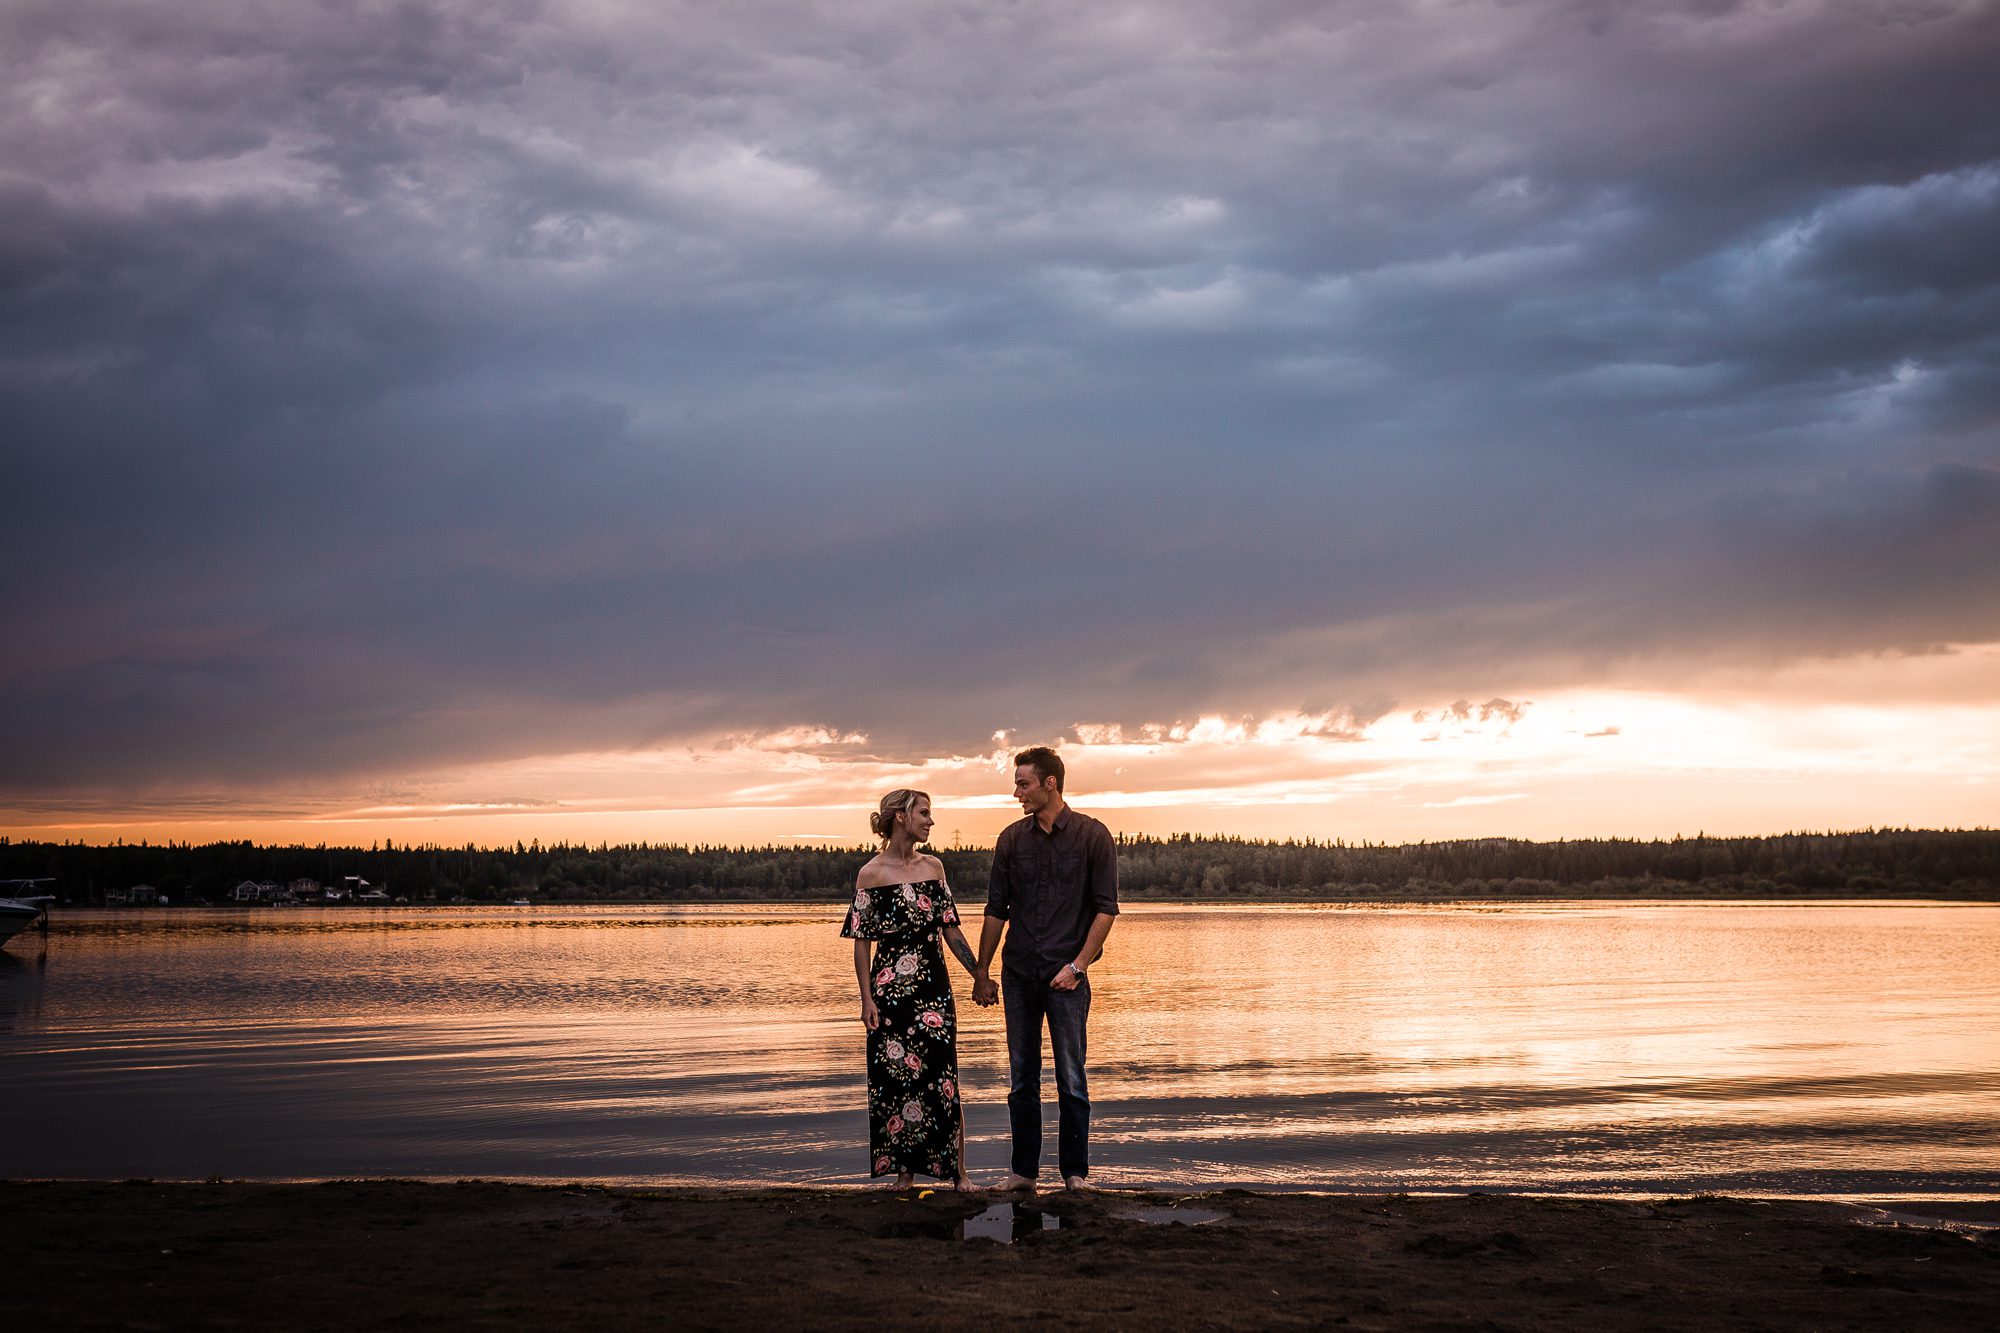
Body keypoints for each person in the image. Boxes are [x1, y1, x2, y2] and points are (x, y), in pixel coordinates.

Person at [970, 746, 1118, 1191]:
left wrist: (1078, 966)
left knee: (1071, 1077)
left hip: (1067, 979)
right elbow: (995, 910)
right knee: (1022, 1079)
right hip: (1018, 975)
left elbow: (1106, 910)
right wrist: (981, 972)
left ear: (1049, 784)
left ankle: (1075, 1175)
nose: (1017, 793)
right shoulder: (1011, 839)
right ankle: (1023, 1173)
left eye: (1023, 784)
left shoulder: (1093, 836)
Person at [842, 788, 982, 1190]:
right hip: (888, 998)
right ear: (900, 817)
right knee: (895, 1081)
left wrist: (979, 974)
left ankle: (959, 1174)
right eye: (924, 813)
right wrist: (866, 999)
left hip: (934, 993)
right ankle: (904, 1173)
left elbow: (951, 931)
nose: (930, 821)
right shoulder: (870, 874)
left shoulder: (934, 868)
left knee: (944, 1079)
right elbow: (861, 943)